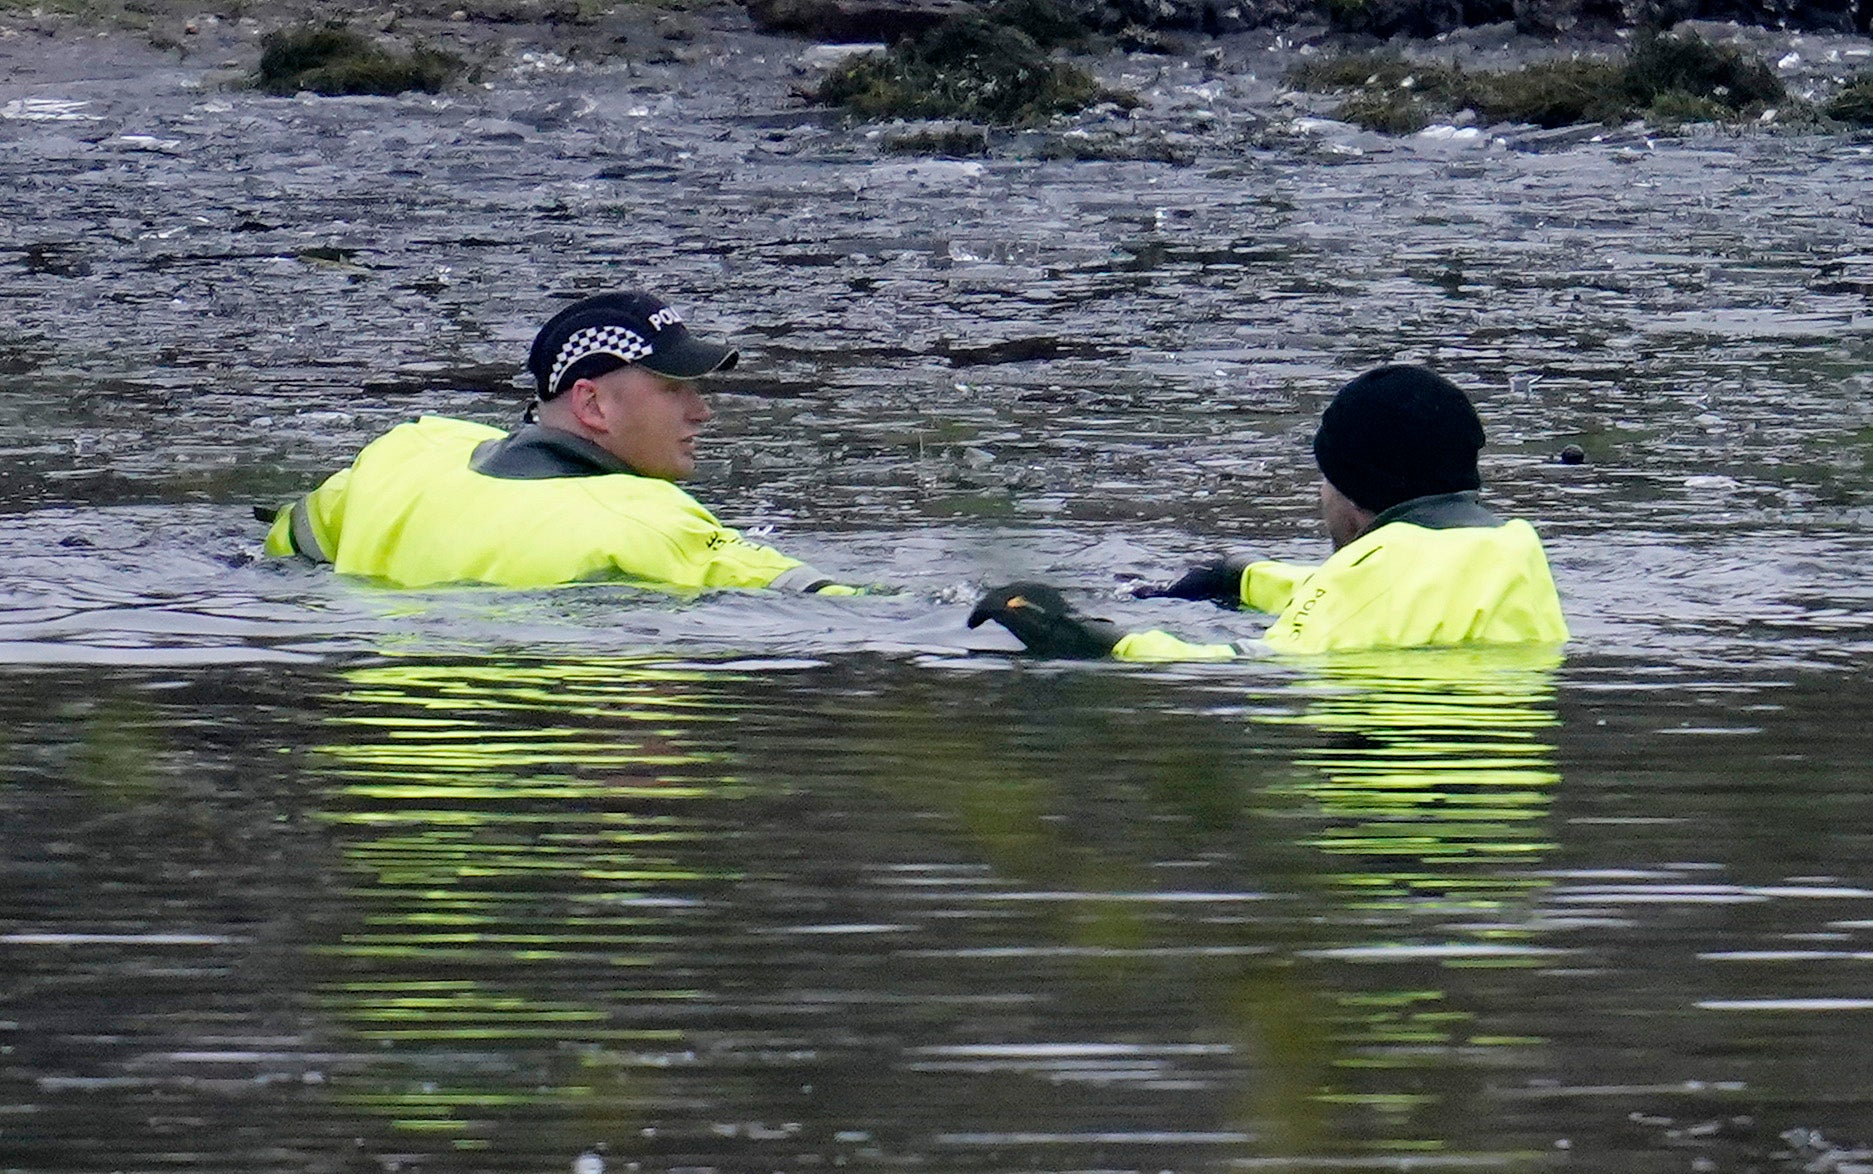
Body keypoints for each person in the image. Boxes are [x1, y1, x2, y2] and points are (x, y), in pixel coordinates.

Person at [262, 290, 855, 594]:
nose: (701, 412)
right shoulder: (646, 521)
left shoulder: (408, 455)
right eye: (674, 389)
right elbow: (821, 600)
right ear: (593, 404)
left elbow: (292, 540)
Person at [967, 363, 1568, 660]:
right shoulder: (1510, 546)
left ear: (1351, 488)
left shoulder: (1376, 576)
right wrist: (1246, 575)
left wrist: (1089, 637)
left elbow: (1245, 666)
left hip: (1387, 778)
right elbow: (1378, 599)